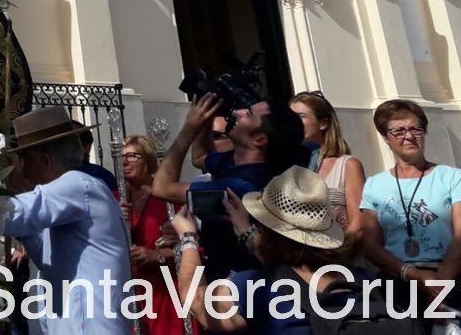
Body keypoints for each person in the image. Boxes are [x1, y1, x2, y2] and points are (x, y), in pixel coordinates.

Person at [171, 166, 356, 335]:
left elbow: (195, 300)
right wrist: (247, 233)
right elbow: (288, 267)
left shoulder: (256, 290)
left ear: (267, 230)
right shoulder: (358, 279)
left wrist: (188, 238)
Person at [4, 106, 132, 335]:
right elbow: (48, 259)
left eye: (24, 160)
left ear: (45, 160)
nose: (22, 169)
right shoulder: (69, 196)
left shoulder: (76, 185)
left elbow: (14, 214)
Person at [154, 93, 308, 277]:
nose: (238, 112)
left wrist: (189, 128)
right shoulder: (239, 163)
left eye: (249, 114)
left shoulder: (239, 187)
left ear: (259, 139)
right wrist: (206, 119)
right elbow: (200, 158)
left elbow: (162, 188)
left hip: (241, 282)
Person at [360, 99, 461, 307]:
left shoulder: (452, 177)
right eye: (398, 131)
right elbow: (370, 245)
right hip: (397, 281)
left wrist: (440, 286)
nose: (408, 136)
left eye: (416, 129)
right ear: (385, 137)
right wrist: (412, 274)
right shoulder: (374, 185)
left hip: (449, 278)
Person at [121, 135, 189, 335]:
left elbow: (191, 245)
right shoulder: (116, 199)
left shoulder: (167, 197)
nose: (125, 162)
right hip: (129, 290)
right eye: (122, 157)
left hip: (164, 288)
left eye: (133, 156)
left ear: (149, 159)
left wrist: (157, 255)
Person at [290, 91, 366, 236]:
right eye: (290, 117)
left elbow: (358, 225)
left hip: (340, 247)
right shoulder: (290, 166)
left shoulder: (348, 165)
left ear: (323, 123)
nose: (293, 123)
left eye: (300, 116)